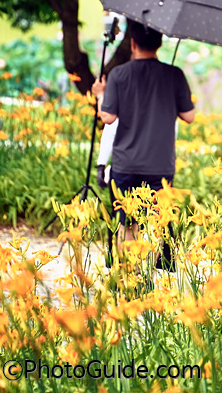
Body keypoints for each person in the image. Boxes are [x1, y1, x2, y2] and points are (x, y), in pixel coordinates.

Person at [91, 20, 195, 269]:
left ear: (133, 44)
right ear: (159, 43)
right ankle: (153, 277)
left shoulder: (119, 74)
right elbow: (189, 116)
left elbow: (107, 118)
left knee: (126, 223)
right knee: (158, 221)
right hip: (160, 166)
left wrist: (100, 95)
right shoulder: (174, 74)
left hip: (126, 165)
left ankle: (130, 275)